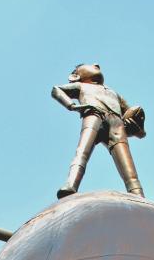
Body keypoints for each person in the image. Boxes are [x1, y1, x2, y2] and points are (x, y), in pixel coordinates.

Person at [51, 63, 145, 199]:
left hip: (117, 124)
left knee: (129, 166)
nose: (96, 64)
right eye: (90, 65)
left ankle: (138, 194)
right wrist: (71, 105)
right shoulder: (82, 86)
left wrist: (137, 129)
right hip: (94, 115)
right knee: (82, 151)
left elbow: (137, 125)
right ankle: (71, 184)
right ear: (75, 76)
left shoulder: (114, 93)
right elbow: (56, 90)